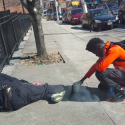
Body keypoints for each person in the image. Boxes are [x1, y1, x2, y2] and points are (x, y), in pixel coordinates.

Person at [76, 37, 125, 102]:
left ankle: (121, 91)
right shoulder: (106, 52)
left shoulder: (114, 50)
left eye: (95, 53)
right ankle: (120, 88)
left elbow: (101, 68)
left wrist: (98, 63)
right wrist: (82, 80)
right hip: (123, 74)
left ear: (99, 48)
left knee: (100, 73)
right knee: (102, 86)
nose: (96, 55)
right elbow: (94, 66)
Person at [0, 73, 65, 111]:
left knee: (39, 95)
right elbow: (15, 80)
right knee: (45, 88)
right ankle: (67, 89)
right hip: (14, 93)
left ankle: (51, 97)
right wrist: (29, 84)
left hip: (11, 106)